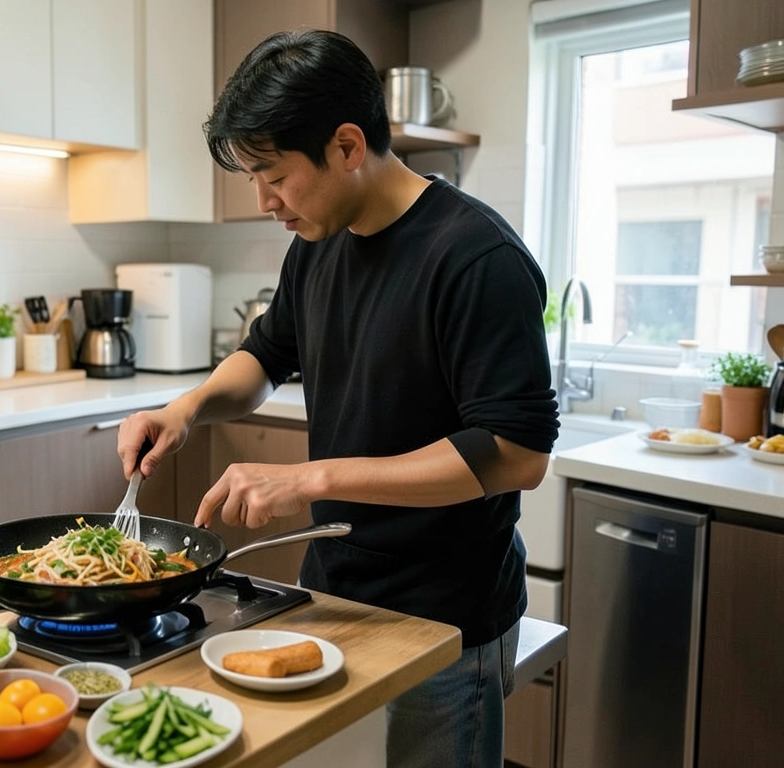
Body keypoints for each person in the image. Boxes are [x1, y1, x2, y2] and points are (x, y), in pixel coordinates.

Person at [117, 29, 559, 768]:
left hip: (445, 616)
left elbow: (517, 455)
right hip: (334, 591)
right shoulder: (317, 243)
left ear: (347, 146)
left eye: (274, 175)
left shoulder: (476, 257)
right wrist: (185, 410)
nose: (265, 201)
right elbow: (267, 354)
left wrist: (309, 478)